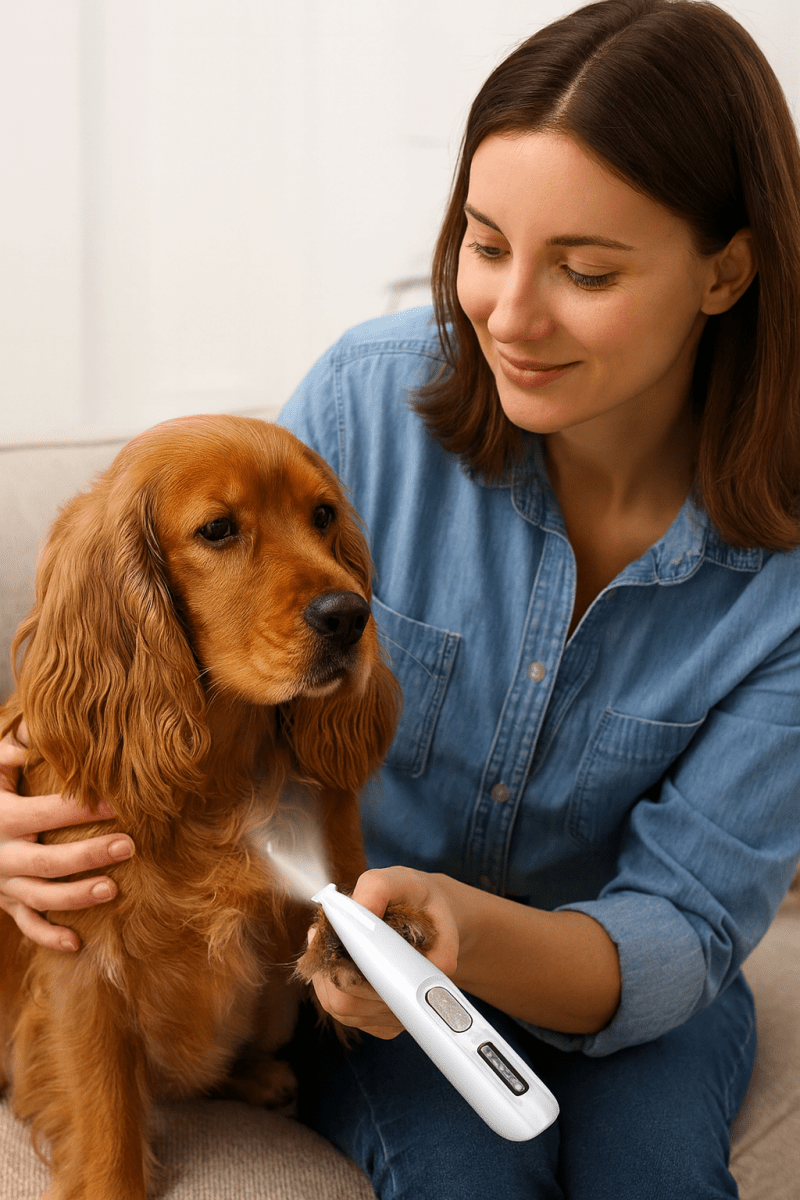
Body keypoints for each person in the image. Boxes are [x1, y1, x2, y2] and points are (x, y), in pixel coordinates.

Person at [2, 0, 799, 1195]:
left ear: (725, 271)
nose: (508, 319)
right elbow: (156, 644)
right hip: (366, 974)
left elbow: (682, 925)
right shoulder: (372, 403)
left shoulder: (781, 572)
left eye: (583, 270)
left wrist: (467, 934)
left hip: (623, 985)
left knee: (659, 1179)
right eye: (484, 246)